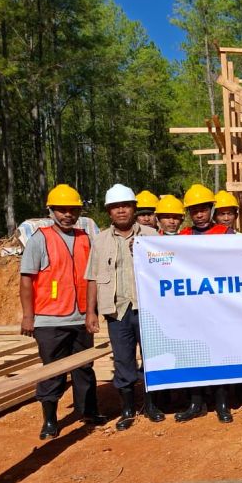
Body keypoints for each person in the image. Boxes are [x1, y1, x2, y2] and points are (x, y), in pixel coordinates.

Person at [20, 184, 105, 439]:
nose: (67, 214)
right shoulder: (40, 239)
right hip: (49, 319)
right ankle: (50, 419)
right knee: (52, 369)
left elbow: (92, 278)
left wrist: (92, 312)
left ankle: (88, 411)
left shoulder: (85, 239)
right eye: (62, 210)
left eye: (72, 210)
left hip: (81, 316)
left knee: (84, 367)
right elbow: (27, 279)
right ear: (51, 211)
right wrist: (28, 316)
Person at [85, 184, 163, 431]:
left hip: (148, 309)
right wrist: (90, 312)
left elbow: (166, 271)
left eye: (125, 206)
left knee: (153, 358)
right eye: (115, 207)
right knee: (123, 361)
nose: (121, 211)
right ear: (109, 211)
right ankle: (128, 408)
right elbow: (93, 277)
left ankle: (152, 405)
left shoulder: (151, 237)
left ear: (133, 208)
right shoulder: (100, 241)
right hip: (117, 310)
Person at [175, 184, 235, 423]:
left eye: (204, 209)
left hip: (218, 306)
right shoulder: (182, 238)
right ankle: (196, 403)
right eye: (194, 210)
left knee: (219, 353)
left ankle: (222, 404)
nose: (199, 214)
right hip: (191, 308)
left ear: (212, 209)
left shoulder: (225, 233)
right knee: (193, 354)